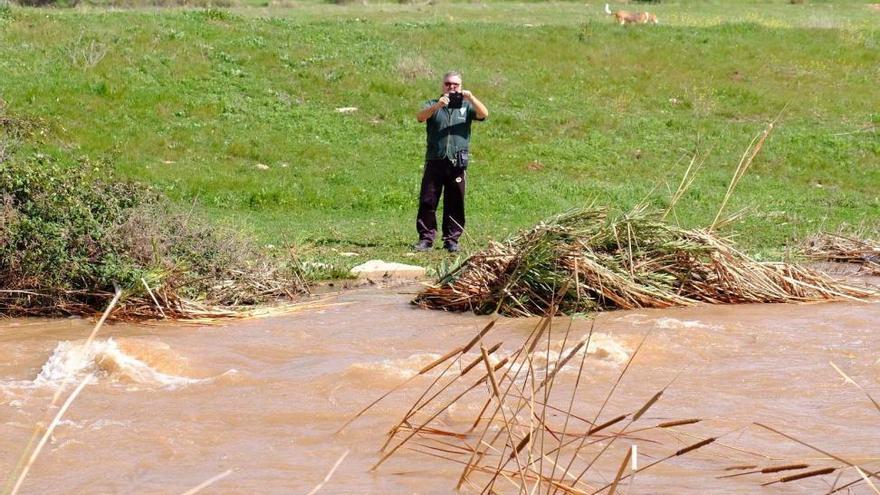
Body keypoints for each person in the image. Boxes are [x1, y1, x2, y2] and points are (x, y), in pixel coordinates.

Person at [413, 71, 489, 253]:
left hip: (457, 162)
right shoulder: (433, 104)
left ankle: (451, 240)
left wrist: (470, 97)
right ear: (442, 85)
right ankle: (426, 239)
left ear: (461, 86)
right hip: (435, 159)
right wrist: (438, 106)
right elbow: (420, 117)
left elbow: (484, 114)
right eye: (448, 84)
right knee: (428, 200)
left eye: (455, 84)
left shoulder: (466, 106)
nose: (451, 87)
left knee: (455, 201)